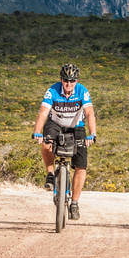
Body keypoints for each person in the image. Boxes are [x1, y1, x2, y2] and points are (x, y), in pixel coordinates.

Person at [32, 63, 96, 221]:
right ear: (61, 79)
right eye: (65, 80)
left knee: (81, 165)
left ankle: (74, 203)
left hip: (76, 127)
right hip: (56, 125)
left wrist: (92, 134)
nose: (68, 84)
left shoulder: (82, 91)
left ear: (77, 81)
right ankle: (50, 174)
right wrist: (37, 132)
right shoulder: (52, 91)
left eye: (72, 81)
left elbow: (89, 113)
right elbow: (43, 112)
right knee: (46, 143)